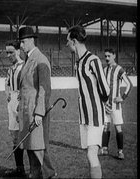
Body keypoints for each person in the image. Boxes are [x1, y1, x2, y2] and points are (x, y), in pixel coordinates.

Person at [66, 25, 110, 179]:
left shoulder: (93, 60)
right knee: (89, 154)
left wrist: (104, 104)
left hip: (95, 114)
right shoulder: (78, 63)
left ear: (74, 41)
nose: (66, 44)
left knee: (92, 154)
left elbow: (105, 89)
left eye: (68, 41)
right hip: (84, 115)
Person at [18, 26, 57, 179]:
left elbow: (44, 89)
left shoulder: (41, 60)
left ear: (32, 40)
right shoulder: (28, 59)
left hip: (36, 111)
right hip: (26, 110)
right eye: (20, 42)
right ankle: (35, 173)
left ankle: (49, 174)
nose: (20, 46)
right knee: (30, 145)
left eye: (23, 42)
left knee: (39, 147)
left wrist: (39, 113)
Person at [99, 48, 133, 159]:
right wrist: (103, 101)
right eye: (105, 56)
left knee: (118, 128)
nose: (107, 58)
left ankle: (120, 151)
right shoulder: (104, 70)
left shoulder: (119, 69)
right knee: (106, 127)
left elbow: (129, 84)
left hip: (116, 106)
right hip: (106, 105)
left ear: (114, 56)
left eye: (109, 56)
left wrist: (123, 97)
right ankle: (104, 149)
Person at [4, 40, 26, 177]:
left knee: (23, 137)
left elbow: (27, 86)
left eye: (11, 52)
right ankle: (19, 168)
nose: (8, 55)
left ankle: (35, 169)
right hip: (11, 101)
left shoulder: (24, 66)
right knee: (14, 136)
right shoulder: (11, 68)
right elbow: (6, 83)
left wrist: (20, 101)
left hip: (20, 101)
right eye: (7, 52)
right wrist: (7, 93)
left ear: (18, 51)